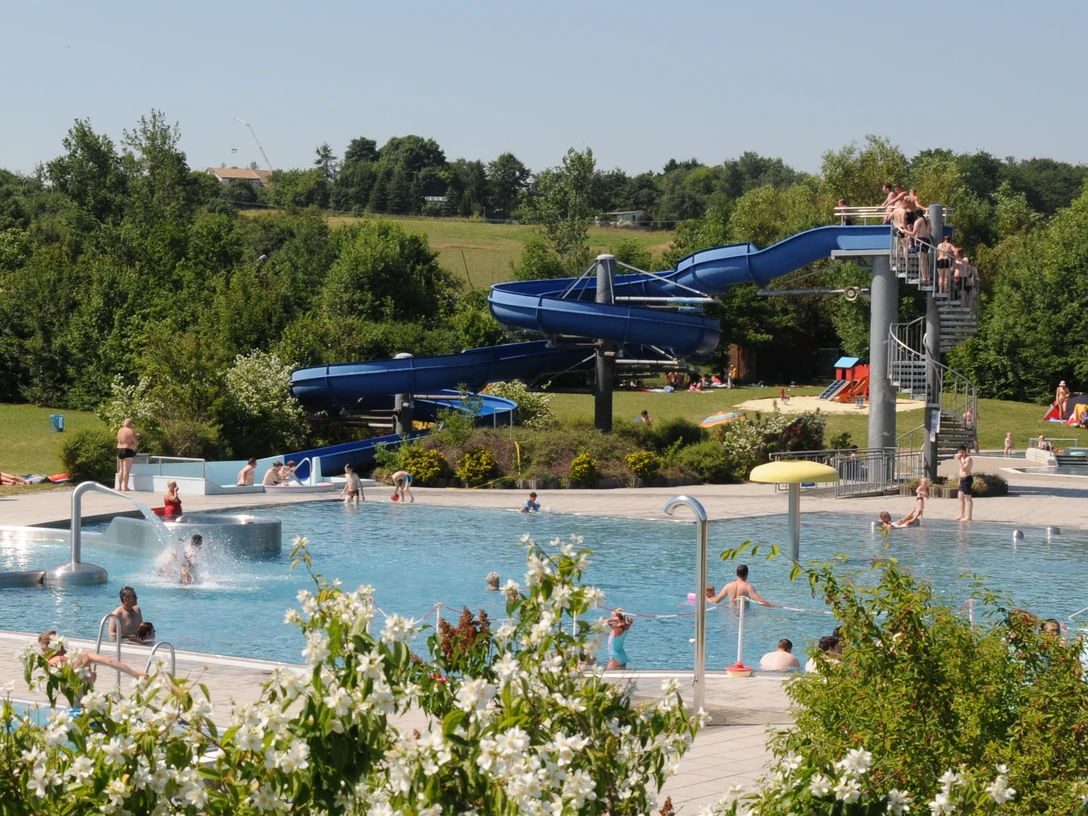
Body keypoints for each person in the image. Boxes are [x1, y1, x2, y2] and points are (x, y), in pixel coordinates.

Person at [39, 631, 148, 686]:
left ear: (54, 648)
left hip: (74, 710)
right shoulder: (83, 654)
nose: (42, 654)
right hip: (92, 712)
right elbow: (110, 661)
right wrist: (136, 674)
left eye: (44, 650)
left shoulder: (53, 662)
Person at [116, 418, 140, 492]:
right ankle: (125, 487)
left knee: (121, 469)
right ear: (130, 424)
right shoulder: (130, 431)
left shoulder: (120, 430)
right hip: (128, 449)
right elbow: (136, 442)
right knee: (126, 470)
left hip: (119, 449)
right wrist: (137, 437)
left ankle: (119, 486)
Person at [953, 445, 974, 522]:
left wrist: (959, 460)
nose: (961, 454)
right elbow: (960, 470)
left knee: (968, 497)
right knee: (960, 497)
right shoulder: (961, 459)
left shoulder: (968, 459)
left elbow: (963, 469)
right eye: (959, 452)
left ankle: (969, 516)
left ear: (965, 452)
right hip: (962, 479)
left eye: (962, 452)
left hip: (967, 479)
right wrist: (959, 479)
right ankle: (961, 514)